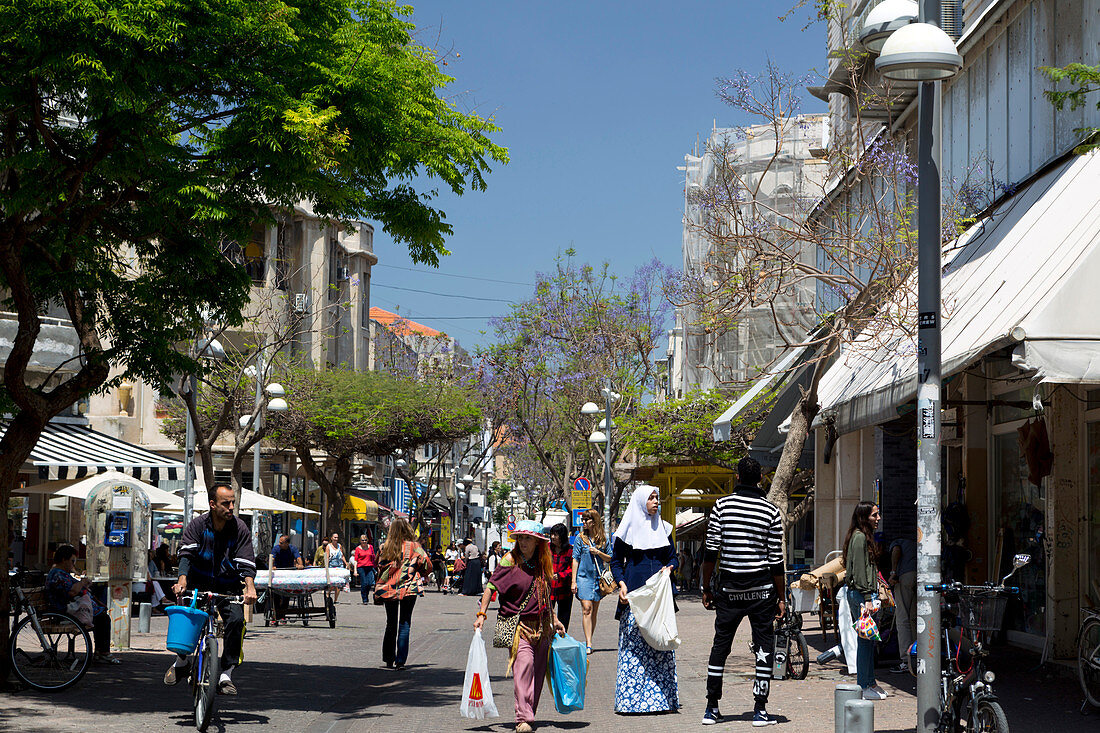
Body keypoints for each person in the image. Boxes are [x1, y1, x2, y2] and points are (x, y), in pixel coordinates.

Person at [699, 456, 785, 727]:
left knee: (720, 646)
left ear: (737, 477)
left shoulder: (721, 507)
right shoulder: (770, 511)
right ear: (760, 479)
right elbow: (777, 562)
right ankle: (760, 709)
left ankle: (711, 707)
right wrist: (782, 598)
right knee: (764, 648)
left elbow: (711, 551)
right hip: (761, 591)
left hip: (729, 589)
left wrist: (706, 586)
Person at [473, 520, 566, 733]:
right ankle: (523, 718)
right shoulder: (509, 560)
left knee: (538, 672)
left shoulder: (543, 561)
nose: (523, 542)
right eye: (521, 538)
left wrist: (555, 618)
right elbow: (490, 587)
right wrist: (482, 614)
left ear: (537, 542)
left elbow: (545, 593)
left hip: (542, 626)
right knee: (524, 668)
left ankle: (528, 713)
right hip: (519, 625)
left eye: (528, 538)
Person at [166, 483, 257, 695]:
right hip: (199, 583)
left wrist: (249, 588)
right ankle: (181, 661)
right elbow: (186, 555)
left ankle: (226, 673)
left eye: (233, 502)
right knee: (186, 618)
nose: (231, 507)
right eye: (226, 503)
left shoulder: (239, 528)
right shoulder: (197, 525)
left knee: (236, 621)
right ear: (212, 504)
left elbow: (246, 560)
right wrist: (182, 582)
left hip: (228, 585)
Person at [610, 485, 679, 715]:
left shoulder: (664, 528)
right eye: (650, 498)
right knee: (635, 649)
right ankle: (631, 702)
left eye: (657, 497)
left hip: (659, 598)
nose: (655, 501)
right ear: (640, 501)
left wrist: (669, 568)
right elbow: (616, 562)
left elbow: (672, 558)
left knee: (660, 645)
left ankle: (660, 701)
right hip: (634, 596)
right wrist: (621, 584)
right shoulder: (627, 530)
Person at [44, 544, 118, 664]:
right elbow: (72, 592)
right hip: (64, 612)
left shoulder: (61, 573)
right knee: (102, 618)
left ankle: (100, 652)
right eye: (72, 561)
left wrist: (84, 583)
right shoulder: (57, 574)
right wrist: (82, 582)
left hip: (69, 610)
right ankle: (103, 653)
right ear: (64, 560)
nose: (73, 564)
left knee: (101, 616)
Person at [845, 501, 889, 700]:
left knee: (869, 640)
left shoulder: (860, 536)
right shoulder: (860, 537)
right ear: (864, 517)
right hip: (861, 595)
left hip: (862, 594)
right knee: (865, 641)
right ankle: (863, 685)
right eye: (874, 515)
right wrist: (867, 599)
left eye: (878, 514)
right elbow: (860, 571)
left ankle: (869, 681)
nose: (878, 518)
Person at [375, 518, 431, 669]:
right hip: (409, 588)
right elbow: (428, 564)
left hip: (389, 588)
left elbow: (378, 566)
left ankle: (388, 658)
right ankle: (400, 661)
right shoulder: (415, 547)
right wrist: (417, 570)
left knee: (391, 623)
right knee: (405, 623)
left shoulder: (384, 547)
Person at [571, 508, 612, 655]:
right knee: (586, 608)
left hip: (598, 580)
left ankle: (590, 639)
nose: (583, 522)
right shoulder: (580, 538)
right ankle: (588, 643)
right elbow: (575, 559)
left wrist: (598, 552)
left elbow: (610, 558)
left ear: (594, 522)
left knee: (593, 611)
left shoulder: (603, 540)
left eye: (586, 520)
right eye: (583, 520)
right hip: (583, 578)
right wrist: (573, 581)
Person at [888, 534, 917, 674]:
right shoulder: (915, 543)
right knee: (914, 619)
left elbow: (896, 550)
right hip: (920, 577)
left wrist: (893, 572)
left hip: (905, 576)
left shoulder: (897, 541)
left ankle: (906, 660)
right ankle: (918, 654)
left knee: (902, 618)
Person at [269, 533, 304, 625]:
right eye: (279, 542)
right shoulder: (276, 548)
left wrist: (300, 564)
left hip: (288, 573)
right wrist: (272, 566)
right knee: (275, 595)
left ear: (287, 544)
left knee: (286, 595)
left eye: (281, 543)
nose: (279, 544)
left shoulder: (292, 548)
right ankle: (275, 616)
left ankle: (283, 615)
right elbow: (272, 558)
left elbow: (298, 557)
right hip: (277, 573)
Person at [547, 523, 573, 631]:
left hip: (565, 589)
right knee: (546, 617)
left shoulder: (570, 550)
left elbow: (573, 569)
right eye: (552, 534)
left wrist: (561, 575)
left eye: (556, 535)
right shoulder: (547, 548)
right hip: (548, 589)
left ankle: (562, 641)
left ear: (562, 536)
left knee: (564, 618)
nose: (553, 537)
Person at [353, 534, 377, 605]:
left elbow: (373, 557)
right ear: (360, 541)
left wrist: (376, 566)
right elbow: (356, 560)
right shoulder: (358, 548)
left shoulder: (371, 547)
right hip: (361, 567)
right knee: (364, 583)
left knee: (369, 583)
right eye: (362, 540)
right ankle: (364, 598)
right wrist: (355, 570)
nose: (364, 541)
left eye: (365, 540)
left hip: (369, 567)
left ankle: (366, 595)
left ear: (367, 540)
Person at [325, 533, 347, 603]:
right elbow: (327, 557)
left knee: (338, 584)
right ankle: (328, 595)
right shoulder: (328, 546)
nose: (336, 539)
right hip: (332, 566)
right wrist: (326, 567)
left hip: (339, 565)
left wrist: (346, 563)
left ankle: (335, 599)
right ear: (331, 538)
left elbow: (342, 555)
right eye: (335, 537)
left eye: (337, 537)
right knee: (332, 584)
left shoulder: (339, 545)